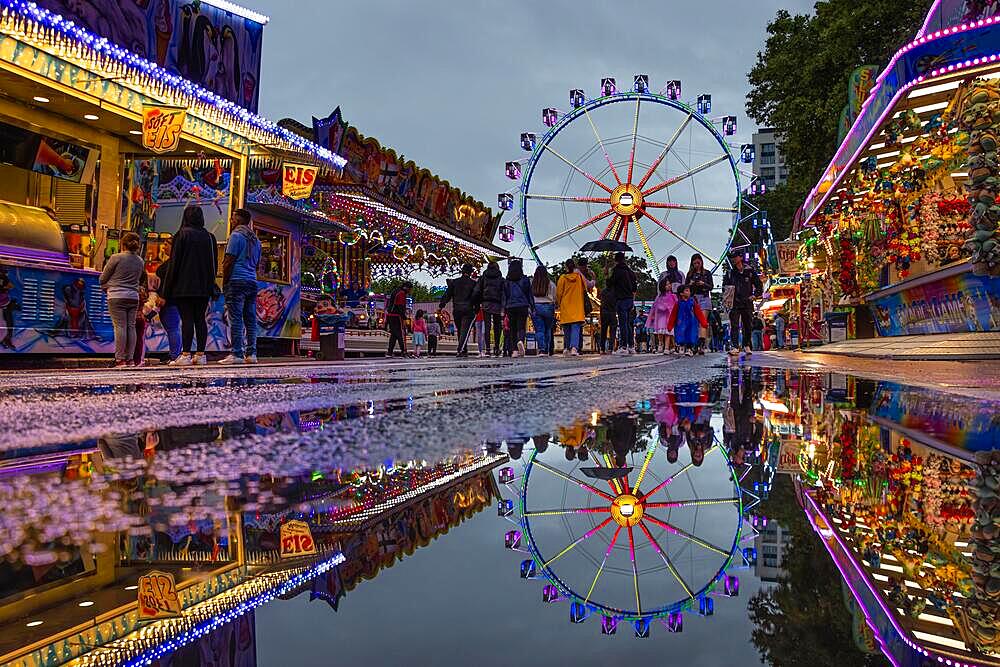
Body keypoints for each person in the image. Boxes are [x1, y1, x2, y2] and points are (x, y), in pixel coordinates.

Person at [162, 206, 219, 366]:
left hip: (184, 285)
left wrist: (167, 289)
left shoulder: (182, 235)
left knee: (187, 319)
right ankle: (201, 354)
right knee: (200, 319)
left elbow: (175, 264)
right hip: (204, 286)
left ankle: (186, 354)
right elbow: (214, 265)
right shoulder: (210, 237)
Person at [220, 208, 261, 365]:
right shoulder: (255, 240)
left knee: (236, 318)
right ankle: (251, 353)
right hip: (252, 281)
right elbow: (257, 265)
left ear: (238, 220)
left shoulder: (236, 236)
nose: (231, 221)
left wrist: (225, 281)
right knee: (250, 319)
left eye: (232, 219)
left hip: (237, 280)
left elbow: (229, 260)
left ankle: (236, 353)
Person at [100, 231, 146, 368]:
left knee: (120, 326)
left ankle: (120, 359)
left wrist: (106, 286)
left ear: (123, 244)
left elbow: (102, 278)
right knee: (131, 327)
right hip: (133, 296)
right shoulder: (140, 261)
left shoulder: (116, 257)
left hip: (116, 296)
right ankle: (130, 359)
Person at [722, 251, 762, 357]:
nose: (734, 259)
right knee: (734, 325)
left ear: (740, 257)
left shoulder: (749, 271)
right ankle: (735, 346)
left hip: (747, 302)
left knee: (748, 325)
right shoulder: (730, 273)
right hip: (734, 302)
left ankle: (746, 344)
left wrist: (755, 295)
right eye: (732, 258)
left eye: (735, 257)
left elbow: (758, 284)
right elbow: (724, 287)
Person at [439, 263, 477, 357]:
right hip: (468, 309)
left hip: (457, 309)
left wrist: (441, 305)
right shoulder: (473, 283)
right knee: (465, 330)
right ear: (471, 272)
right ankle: (460, 349)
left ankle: (464, 350)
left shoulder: (454, 282)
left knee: (460, 330)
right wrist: (476, 308)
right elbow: (476, 296)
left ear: (462, 271)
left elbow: (447, 295)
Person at [503, 259, 535, 358]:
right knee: (521, 326)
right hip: (523, 305)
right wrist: (532, 306)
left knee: (512, 328)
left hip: (510, 306)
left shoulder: (507, 281)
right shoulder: (525, 280)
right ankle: (520, 340)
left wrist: (504, 308)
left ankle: (514, 350)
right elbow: (529, 294)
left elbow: (505, 295)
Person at [154, 252, 182, 361]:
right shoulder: (175, 262)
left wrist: (164, 296)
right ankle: (175, 353)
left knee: (172, 328)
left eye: (167, 244)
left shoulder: (174, 263)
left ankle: (175, 355)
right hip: (170, 299)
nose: (164, 247)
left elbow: (169, 282)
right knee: (172, 327)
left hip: (169, 300)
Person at [607, 252, 637, 354]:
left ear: (616, 260)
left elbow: (610, 284)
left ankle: (623, 346)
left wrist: (607, 274)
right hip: (629, 299)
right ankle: (631, 345)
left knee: (623, 323)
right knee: (628, 323)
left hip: (621, 299)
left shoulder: (617, 271)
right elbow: (634, 288)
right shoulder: (630, 272)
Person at [556, 258, 586, 356]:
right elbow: (585, 288)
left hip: (566, 305)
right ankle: (574, 348)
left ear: (566, 267)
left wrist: (560, 303)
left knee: (567, 329)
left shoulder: (562, 278)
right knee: (575, 328)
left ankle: (566, 348)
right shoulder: (579, 277)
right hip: (577, 306)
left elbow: (559, 293)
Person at [475, 261, 505, 357]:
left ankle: (487, 349)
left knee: (487, 326)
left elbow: (477, 290)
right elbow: (503, 293)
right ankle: (496, 348)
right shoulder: (501, 279)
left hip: (486, 303)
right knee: (497, 327)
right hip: (497, 304)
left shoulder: (483, 278)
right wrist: (503, 306)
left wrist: (478, 302)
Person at [668, 285, 708, 355]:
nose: (689, 292)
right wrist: (670, 325)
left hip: (691, 323)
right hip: (681, 323)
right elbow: (673, 315)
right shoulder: (678, 303)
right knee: (681, 335)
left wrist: (703, 322)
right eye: (686, 290)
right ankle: (682, 346)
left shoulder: (692, 302)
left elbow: (698, 312)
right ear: (681, 293)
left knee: (691, 335)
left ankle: (689, 348)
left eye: (689, 290)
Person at [686, 254, 714, 354]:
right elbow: (686, 288)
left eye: (698, 263)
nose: (697, 265)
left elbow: (711, 287)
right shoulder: (690, 274)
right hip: (694, 298)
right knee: (694, 322)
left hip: (705, 297)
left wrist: (703, 284)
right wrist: (691, 283)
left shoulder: (707, 273)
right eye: (695, 263)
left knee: (703, 321)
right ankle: (695, 344)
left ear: (701, 262)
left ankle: (701, 345)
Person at [530, 265, 556, 356]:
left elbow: (529, 297)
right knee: (547, 329)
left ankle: (542, 349)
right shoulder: (550, 284)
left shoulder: (532, 283)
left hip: (536, 306)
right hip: (548, 306)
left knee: (539, 330)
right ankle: (547, 348)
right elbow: (555, 297)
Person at [646, 278, 677, 355]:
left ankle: (666, 347)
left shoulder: (673, 296)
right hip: (661, 317)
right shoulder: (659, 297)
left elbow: (676, 306)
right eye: (667, 284)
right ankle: (661, 344)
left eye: (669, 284)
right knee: (660, 333)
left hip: (669, 317)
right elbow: (654, 307)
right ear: (663, 286)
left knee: (668, 333)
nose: (669, 286)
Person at [385, 281, 410, 357]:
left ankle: (389, 352)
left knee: (394, 335)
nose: (410, 291)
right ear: (406, 287)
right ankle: (403, 351)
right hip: (396, 316)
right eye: (410, 289)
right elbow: (400, 306)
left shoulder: (395, 291)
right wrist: (404, 317)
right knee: (400, 334)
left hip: (390, 315)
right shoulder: (401, 293)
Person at [598, 283, 617, 354]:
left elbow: (601, 303)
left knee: (603, 331)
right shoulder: (615, 292)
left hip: (604, 313)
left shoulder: (603, 292)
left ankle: (602, 348)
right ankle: (610, 348)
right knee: (612, 331)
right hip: (612, 313)